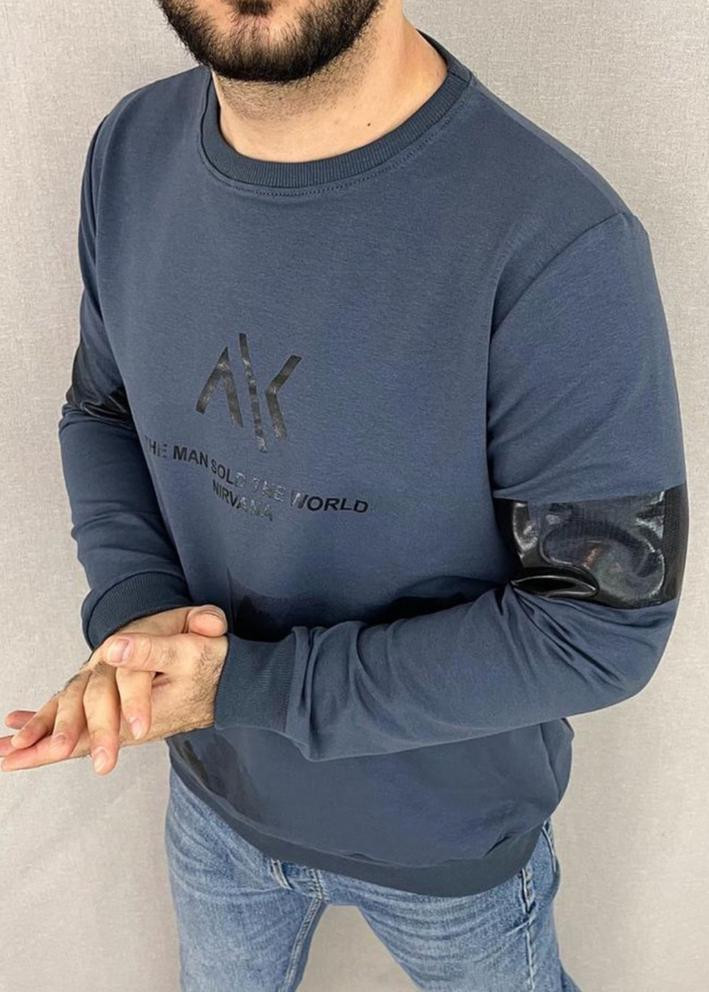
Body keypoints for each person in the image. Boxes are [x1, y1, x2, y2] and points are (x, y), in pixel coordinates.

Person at [1, 1, 689, 989]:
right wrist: (138, 616)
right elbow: (102, 410)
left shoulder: (556, 238)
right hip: (214, 800)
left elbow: (599, 628)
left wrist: (240, 685)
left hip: (449, 845)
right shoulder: (130, 151)